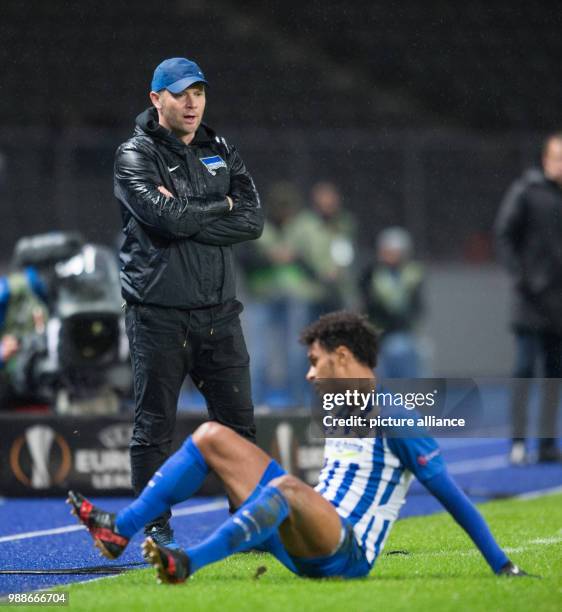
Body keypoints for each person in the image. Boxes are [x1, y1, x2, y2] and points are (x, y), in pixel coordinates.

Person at [68, 312, 526, 581]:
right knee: (210, 436)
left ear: (342, 357)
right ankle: (120, 529)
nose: (309, 374)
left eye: (314, 362)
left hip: (346, 555)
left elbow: (450, 494)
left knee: (286, 487)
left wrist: (502, 565)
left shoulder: (395, 415)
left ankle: (186, 562)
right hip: (306, 538)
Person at [114, 57, 264, 546]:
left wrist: (190, 211)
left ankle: (245, 522)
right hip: (158, 315)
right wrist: (219, 205)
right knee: (153, 427)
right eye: (180, 93)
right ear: (156, 99)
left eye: (199, 91)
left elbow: (252, 222)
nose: (192, 102)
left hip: (220, 314)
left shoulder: (220, 147)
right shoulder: (134, 155)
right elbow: (166, 220)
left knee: (239, 424)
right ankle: (155, 528)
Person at [495, 131, 562, 464]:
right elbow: (504, 235)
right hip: (530, 301)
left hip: (559, 305)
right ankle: (517, 442)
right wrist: (522, 278)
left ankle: (548, 444)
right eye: (557, 157)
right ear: (545, 159)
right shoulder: (526, 191)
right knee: (523, 370)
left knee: (554, 375)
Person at [359, 227, 424, 378]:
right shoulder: (372, 274)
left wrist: (401, 321)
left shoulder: (412, 274)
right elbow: (369, 304)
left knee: (403, 350)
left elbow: (417, 307)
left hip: (401, 331)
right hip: (378, 332)